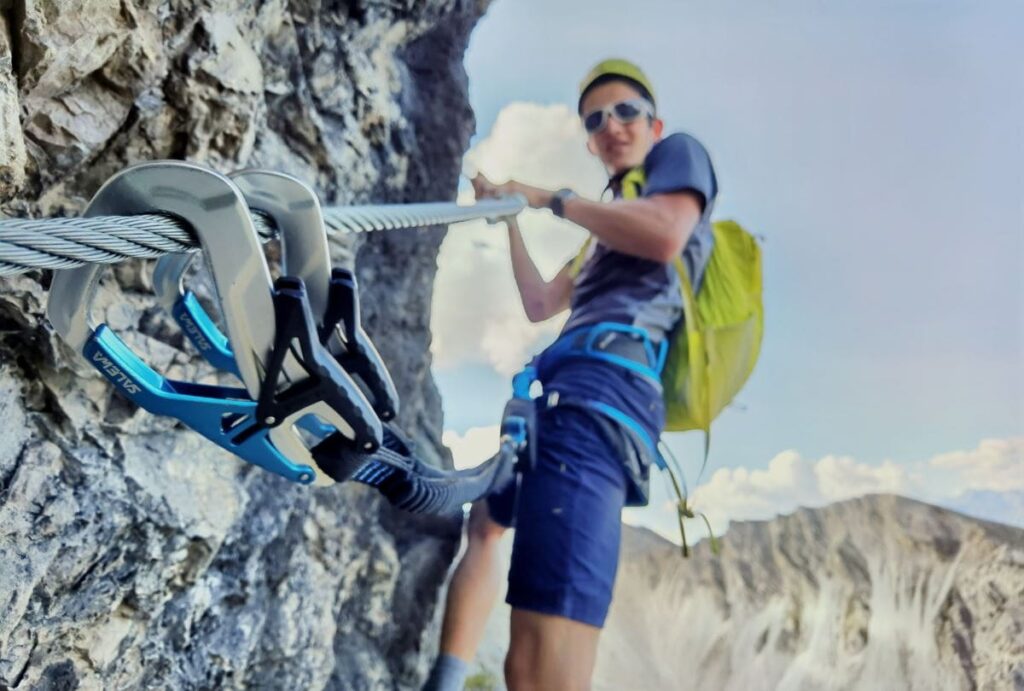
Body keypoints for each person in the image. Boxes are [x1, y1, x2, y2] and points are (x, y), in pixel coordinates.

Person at [423, 58, 719, 691]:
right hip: (558, 398)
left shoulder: (679, 159)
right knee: (485, 525)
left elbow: (667, 236)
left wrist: (550, 199)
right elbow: (539, 303)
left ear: (655, 124)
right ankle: (443, 681)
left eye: (625, 112)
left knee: (536, 664)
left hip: (598, 402)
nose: (611, 125)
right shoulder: (607, 231)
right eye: (595, 119)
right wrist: (509, 221)